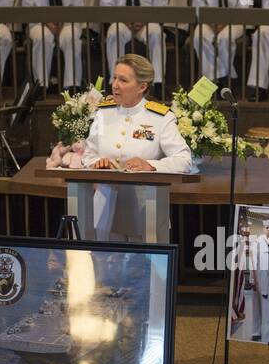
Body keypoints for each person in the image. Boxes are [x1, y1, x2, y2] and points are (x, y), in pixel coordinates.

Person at [81, 56, 195, 241]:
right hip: (104, 209)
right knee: (105, 265)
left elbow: (184, 159)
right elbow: (88, 155)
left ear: (142, 86)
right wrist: (96, 163)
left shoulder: (160, 118)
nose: (115, 85)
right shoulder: (103, 113)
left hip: (145, 211)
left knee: (144, 268)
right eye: (115, 77)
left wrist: (151, 165)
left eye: (123, 80)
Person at [22, 0, 86, 92]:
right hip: (39, 23)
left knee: (71, 38)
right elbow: (28, 8)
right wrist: (48, 23)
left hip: (68, 22)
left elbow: (78, 6)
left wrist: (61, 22)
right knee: (42, 38)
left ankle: (72, 85)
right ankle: (41, 85)